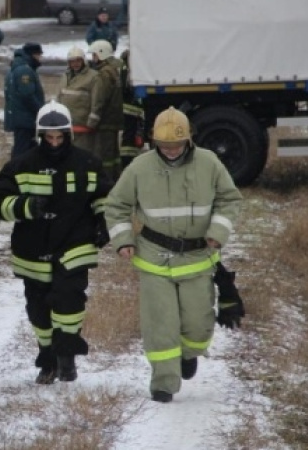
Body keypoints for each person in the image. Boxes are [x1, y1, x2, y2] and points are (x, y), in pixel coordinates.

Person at [104, 106, 243, 403]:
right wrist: (123, 240)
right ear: (154, 141)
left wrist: (218, 232)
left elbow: (229, 199)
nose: (170, 150)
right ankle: (163, 384)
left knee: (198, 326)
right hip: (154, 258)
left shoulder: (209, 162)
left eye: (176, 145)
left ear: (189, 139)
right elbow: (116, 205)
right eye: (164, 145)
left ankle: (189, 353)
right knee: (160, 325)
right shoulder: (139, 168)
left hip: (197, 257)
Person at [0, 100, 112, 385]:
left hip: (75, 244)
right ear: (40, 135)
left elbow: (104, 197)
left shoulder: (88, 164)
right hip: (33, 249)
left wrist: (103, 221)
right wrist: (25, 206)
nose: (55, 143)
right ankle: (48, 357)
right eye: (50, 137)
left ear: (68, 135)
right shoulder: (21, 165)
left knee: (69, 299)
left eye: (60, 137)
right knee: (38, 310)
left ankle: (66, 356)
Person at [87, 39, 124, 179]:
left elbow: (99, 98)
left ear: (101, 54)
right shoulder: (114, 70)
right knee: (114, 154)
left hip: (105, 121)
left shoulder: (104, 74)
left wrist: (93, 121)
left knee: (104, 155)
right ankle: (116, 176)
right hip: (113, 120)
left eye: (94, 55)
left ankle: (107, 180)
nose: (93, 59)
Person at [4, 42, 45, 160]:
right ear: (32, 55)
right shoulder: (24, 70)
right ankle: (16, 169)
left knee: (26, 148)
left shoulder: (18, 67)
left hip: (21, 117)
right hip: (25, 119)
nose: (40, 58)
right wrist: (40, 111)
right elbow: (27, 95)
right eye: (39, 55)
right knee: (22, 150)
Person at [57, 46, 99, 153]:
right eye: (72, 61)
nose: (75, 64)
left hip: (84, 126)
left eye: (78, 61)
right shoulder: (65, 76)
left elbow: (97, 100)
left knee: (82, 153)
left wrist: (92, 121)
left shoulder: (93, 77)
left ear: (83, 61)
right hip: (67, 124)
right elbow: (59, 96)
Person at [119, 49, 145, 169]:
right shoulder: (129, 71)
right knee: (129, 138)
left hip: (129, 110)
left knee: (129, 138)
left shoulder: (125, 69)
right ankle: (128, 163)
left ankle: (127, 163)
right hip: (131, 110)